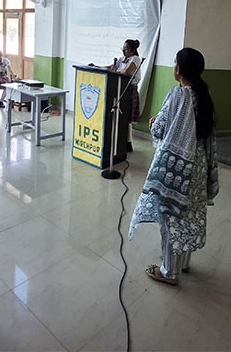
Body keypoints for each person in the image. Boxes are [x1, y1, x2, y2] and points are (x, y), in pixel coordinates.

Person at [128, 47, 219, 285]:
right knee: (187, 216)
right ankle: (183, 263)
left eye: (174, 62)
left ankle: (169, 271)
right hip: (198, 166)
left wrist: (153, 123)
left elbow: (159, 129)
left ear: (178, 69)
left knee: (170, 217)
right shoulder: (204, 95)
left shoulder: (178, 95)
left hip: (177, 169)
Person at [90, 39, 142, 151]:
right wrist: (97, 66)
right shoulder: (122, 59)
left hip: (129, 89)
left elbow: (127, 72)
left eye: (126, 49)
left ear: (133, 50)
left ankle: (128, 143)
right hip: (119, 88)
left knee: (126, 117)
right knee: (119, 116)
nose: (123, 51)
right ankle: (122, 142)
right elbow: (111, 67)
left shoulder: (135, 59)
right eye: (123, 48)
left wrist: (116, 70)